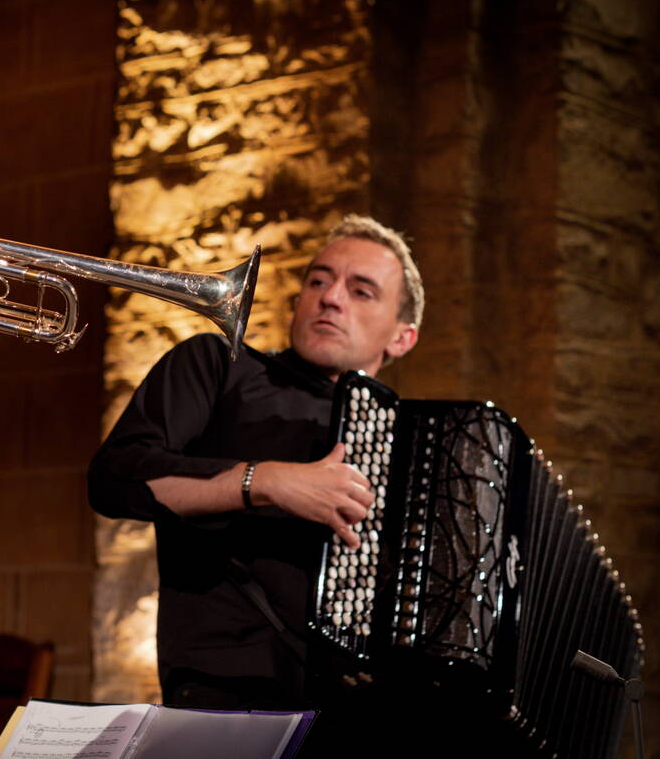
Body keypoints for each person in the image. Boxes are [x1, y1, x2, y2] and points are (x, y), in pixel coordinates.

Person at [88, 216, 423, 714]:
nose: (331, 298)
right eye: (318, 281)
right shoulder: (220, 365)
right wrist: (262, 480)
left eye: (361, 291)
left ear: (401, 338)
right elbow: (114, 480)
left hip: (363, 715)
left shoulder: (412, 444)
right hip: (226, 700)